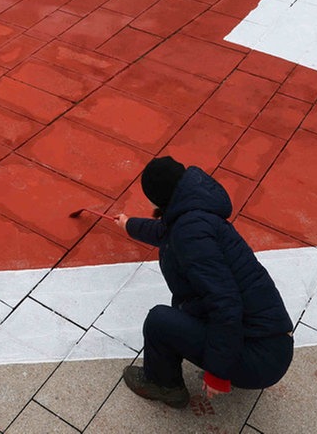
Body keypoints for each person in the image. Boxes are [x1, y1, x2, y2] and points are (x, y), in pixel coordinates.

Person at [115, 156, 294, 409]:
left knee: (159, 320)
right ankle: (227, 358)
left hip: (261, 358)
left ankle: (163, 385)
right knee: (188, 307)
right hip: (270, 341)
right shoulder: (196, 212)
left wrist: (217, 374)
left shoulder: (189, 234)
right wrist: (129, 225)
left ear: (158, 200)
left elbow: (226, 303)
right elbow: (165, 232)